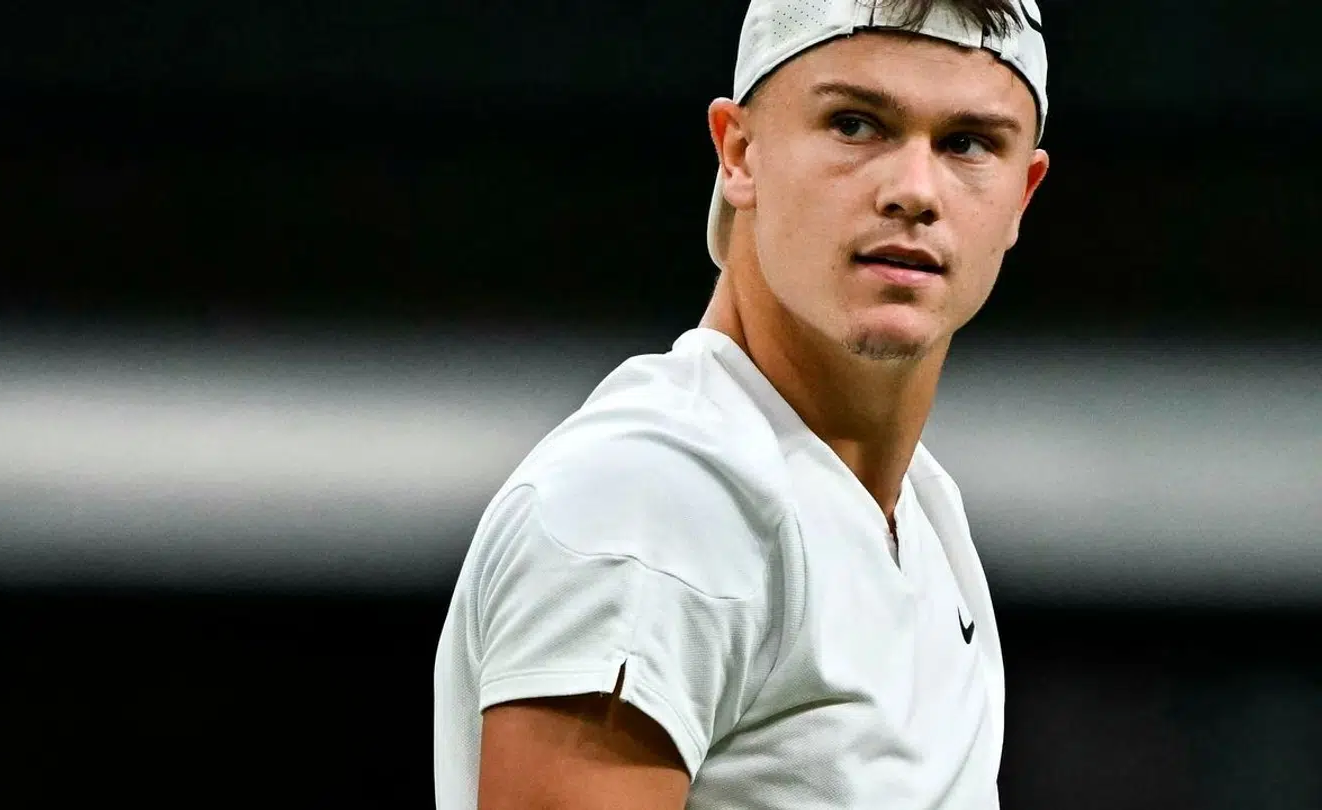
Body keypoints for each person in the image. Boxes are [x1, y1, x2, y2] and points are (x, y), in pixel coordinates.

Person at [434, 0, 1050, 806]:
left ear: (1023, 195)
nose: (913, 191)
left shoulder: (924, 517)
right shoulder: (655, 505)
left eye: (967, 143)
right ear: (739, 152)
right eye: (856, 125)